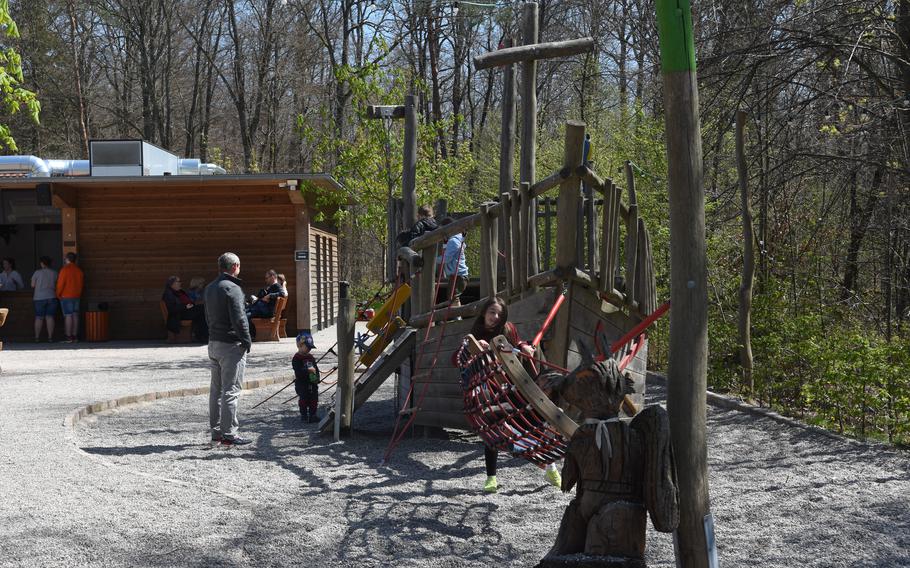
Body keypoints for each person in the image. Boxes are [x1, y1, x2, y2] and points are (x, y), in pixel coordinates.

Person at [456, 296, 561, 493]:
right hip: (489, 388)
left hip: (511, 386)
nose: (495, 317)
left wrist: (524, 348)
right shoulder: (476, 333)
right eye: (492, 312)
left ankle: (551, 467)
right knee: (492, 429)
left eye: (499, 314)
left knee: (536, 422)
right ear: (484, 313)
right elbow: (459, 358)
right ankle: (491, 478)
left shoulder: (507, 329)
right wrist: (475, 349)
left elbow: (518, 345)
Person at [204, 252, 253, 446]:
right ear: (234, 267)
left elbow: (207, 316)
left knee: (216, 390)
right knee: (231, 390)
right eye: (239, 266)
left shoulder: (210, 288)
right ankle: (230, 433)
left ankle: (216, 432)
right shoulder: (233, 289)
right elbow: (240, 319)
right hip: (231, 344)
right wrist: (247, 340)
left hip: (213, 342)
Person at [162, 276, 208, 343]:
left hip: (185, 310)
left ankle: (202, 336)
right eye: (178, 282)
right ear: (172, 283)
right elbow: (172, 309)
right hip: (179, 314)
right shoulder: (169, 293)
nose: (180, 283)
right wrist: (186, 306)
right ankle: (203, 336)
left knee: (202, 311)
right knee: (202, 310)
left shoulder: (178, 291)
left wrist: (191, 304)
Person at [56, 252, 84, 343]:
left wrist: (58, 294)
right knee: (75, 315)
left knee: (68, 315)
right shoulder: (79, 270)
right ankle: (75, 336)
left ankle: (68, 336)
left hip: (66, 296)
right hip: (76, 295)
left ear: (67, 259)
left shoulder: (64, 270)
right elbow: (81, 284)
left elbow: (60, 284)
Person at [292, 332, 320, 423]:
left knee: (314, 398)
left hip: (312, 382)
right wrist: (307, 371)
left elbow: (316, 368)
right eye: (307, 347)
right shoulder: (296, 358)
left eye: (310, 348)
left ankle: (313, 414)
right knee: (304, 399)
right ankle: (304, 415)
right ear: (299, 345)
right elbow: (298, 371)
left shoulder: (311, 357)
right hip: (302, 383)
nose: (309, 349)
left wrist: (317, 378)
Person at [441, 217, 468, 307]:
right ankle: (457, 317)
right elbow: (447, 253)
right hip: (456, 276)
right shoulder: (456, 239)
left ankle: (458, 317)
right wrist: (445, 243)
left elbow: (447, 258)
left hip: (459, 276)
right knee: (453, 297)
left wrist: (435, 260)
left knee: (453, 298)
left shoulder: (454, 241)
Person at [31, 256, 58, 342]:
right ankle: (50, 337)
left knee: (39, 318)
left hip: (39, 297)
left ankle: (37, 337)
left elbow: (32, 285)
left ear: (42, 263)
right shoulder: (54, 273)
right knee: (50, 317)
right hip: (51, 296)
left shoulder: (37, 273)